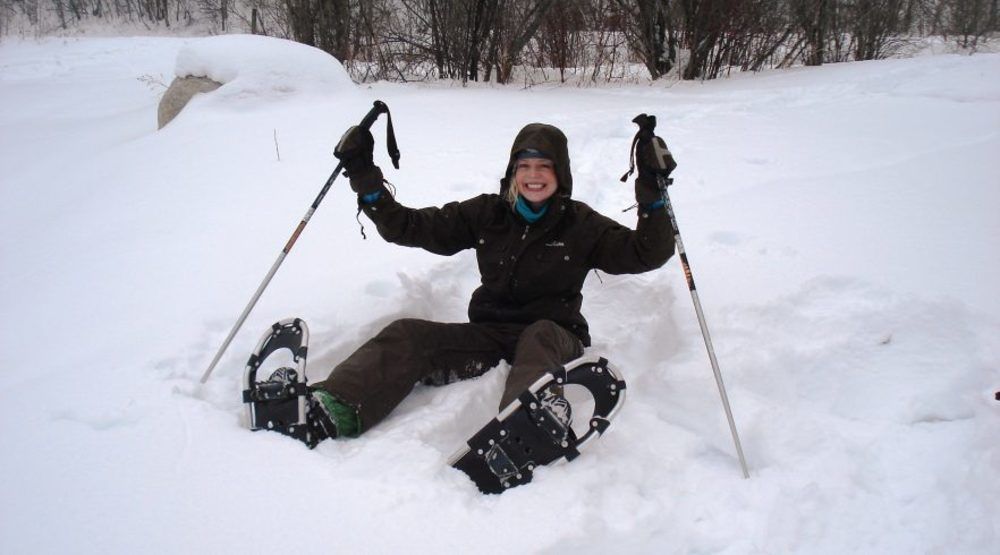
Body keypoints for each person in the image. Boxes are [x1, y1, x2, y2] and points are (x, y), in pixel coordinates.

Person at [303, 122, 676, 441]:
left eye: (544, 166)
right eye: (524, 165)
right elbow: (409, 227)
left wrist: (652, 192)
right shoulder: (487, 213)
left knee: (541, 333)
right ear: (513, 171)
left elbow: (646, 253)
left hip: (556, 338)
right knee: (408, 334)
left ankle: (528, 426)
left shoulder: (581, 224)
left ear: (560, 173)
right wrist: (364, 177)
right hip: (492, 335)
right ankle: (335, 406)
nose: (533, 175)